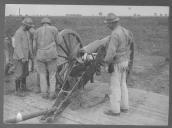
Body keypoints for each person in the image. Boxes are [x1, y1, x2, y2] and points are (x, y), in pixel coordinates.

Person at [81, 13, 134, 116]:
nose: (107, 26)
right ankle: (125, 107)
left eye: (108, 24)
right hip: (125, 61)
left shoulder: (114, 34)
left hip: (117, 63)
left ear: (112, 23)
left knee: (114, 87)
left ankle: (115, 111)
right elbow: (130, 42)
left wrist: (105, 63)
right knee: (123, 84)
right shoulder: (125, 31)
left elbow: (110, 53)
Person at [33, 18, 61, 100]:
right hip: (51, 55)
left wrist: (36, 54)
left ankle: (44, 93)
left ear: (42, 23)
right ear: (49, 23)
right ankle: (52, 94)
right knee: (52, 75)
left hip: (40, 55)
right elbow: (59, 41)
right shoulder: (54, 29)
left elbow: (34, 46)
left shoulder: (37, 31)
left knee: (42, 74)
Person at [12, 17, 34, 96]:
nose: (30, 27)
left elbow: (28, 45)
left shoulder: (27, 32)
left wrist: (30, 56)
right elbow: (17, 46)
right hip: (19, 58)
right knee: (19, 74)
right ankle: (17, 91)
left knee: (25, 73)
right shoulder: (18, 32)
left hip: (26, 57)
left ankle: (23, 87)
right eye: (29, 26)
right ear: (25, 25)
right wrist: (22, 57)